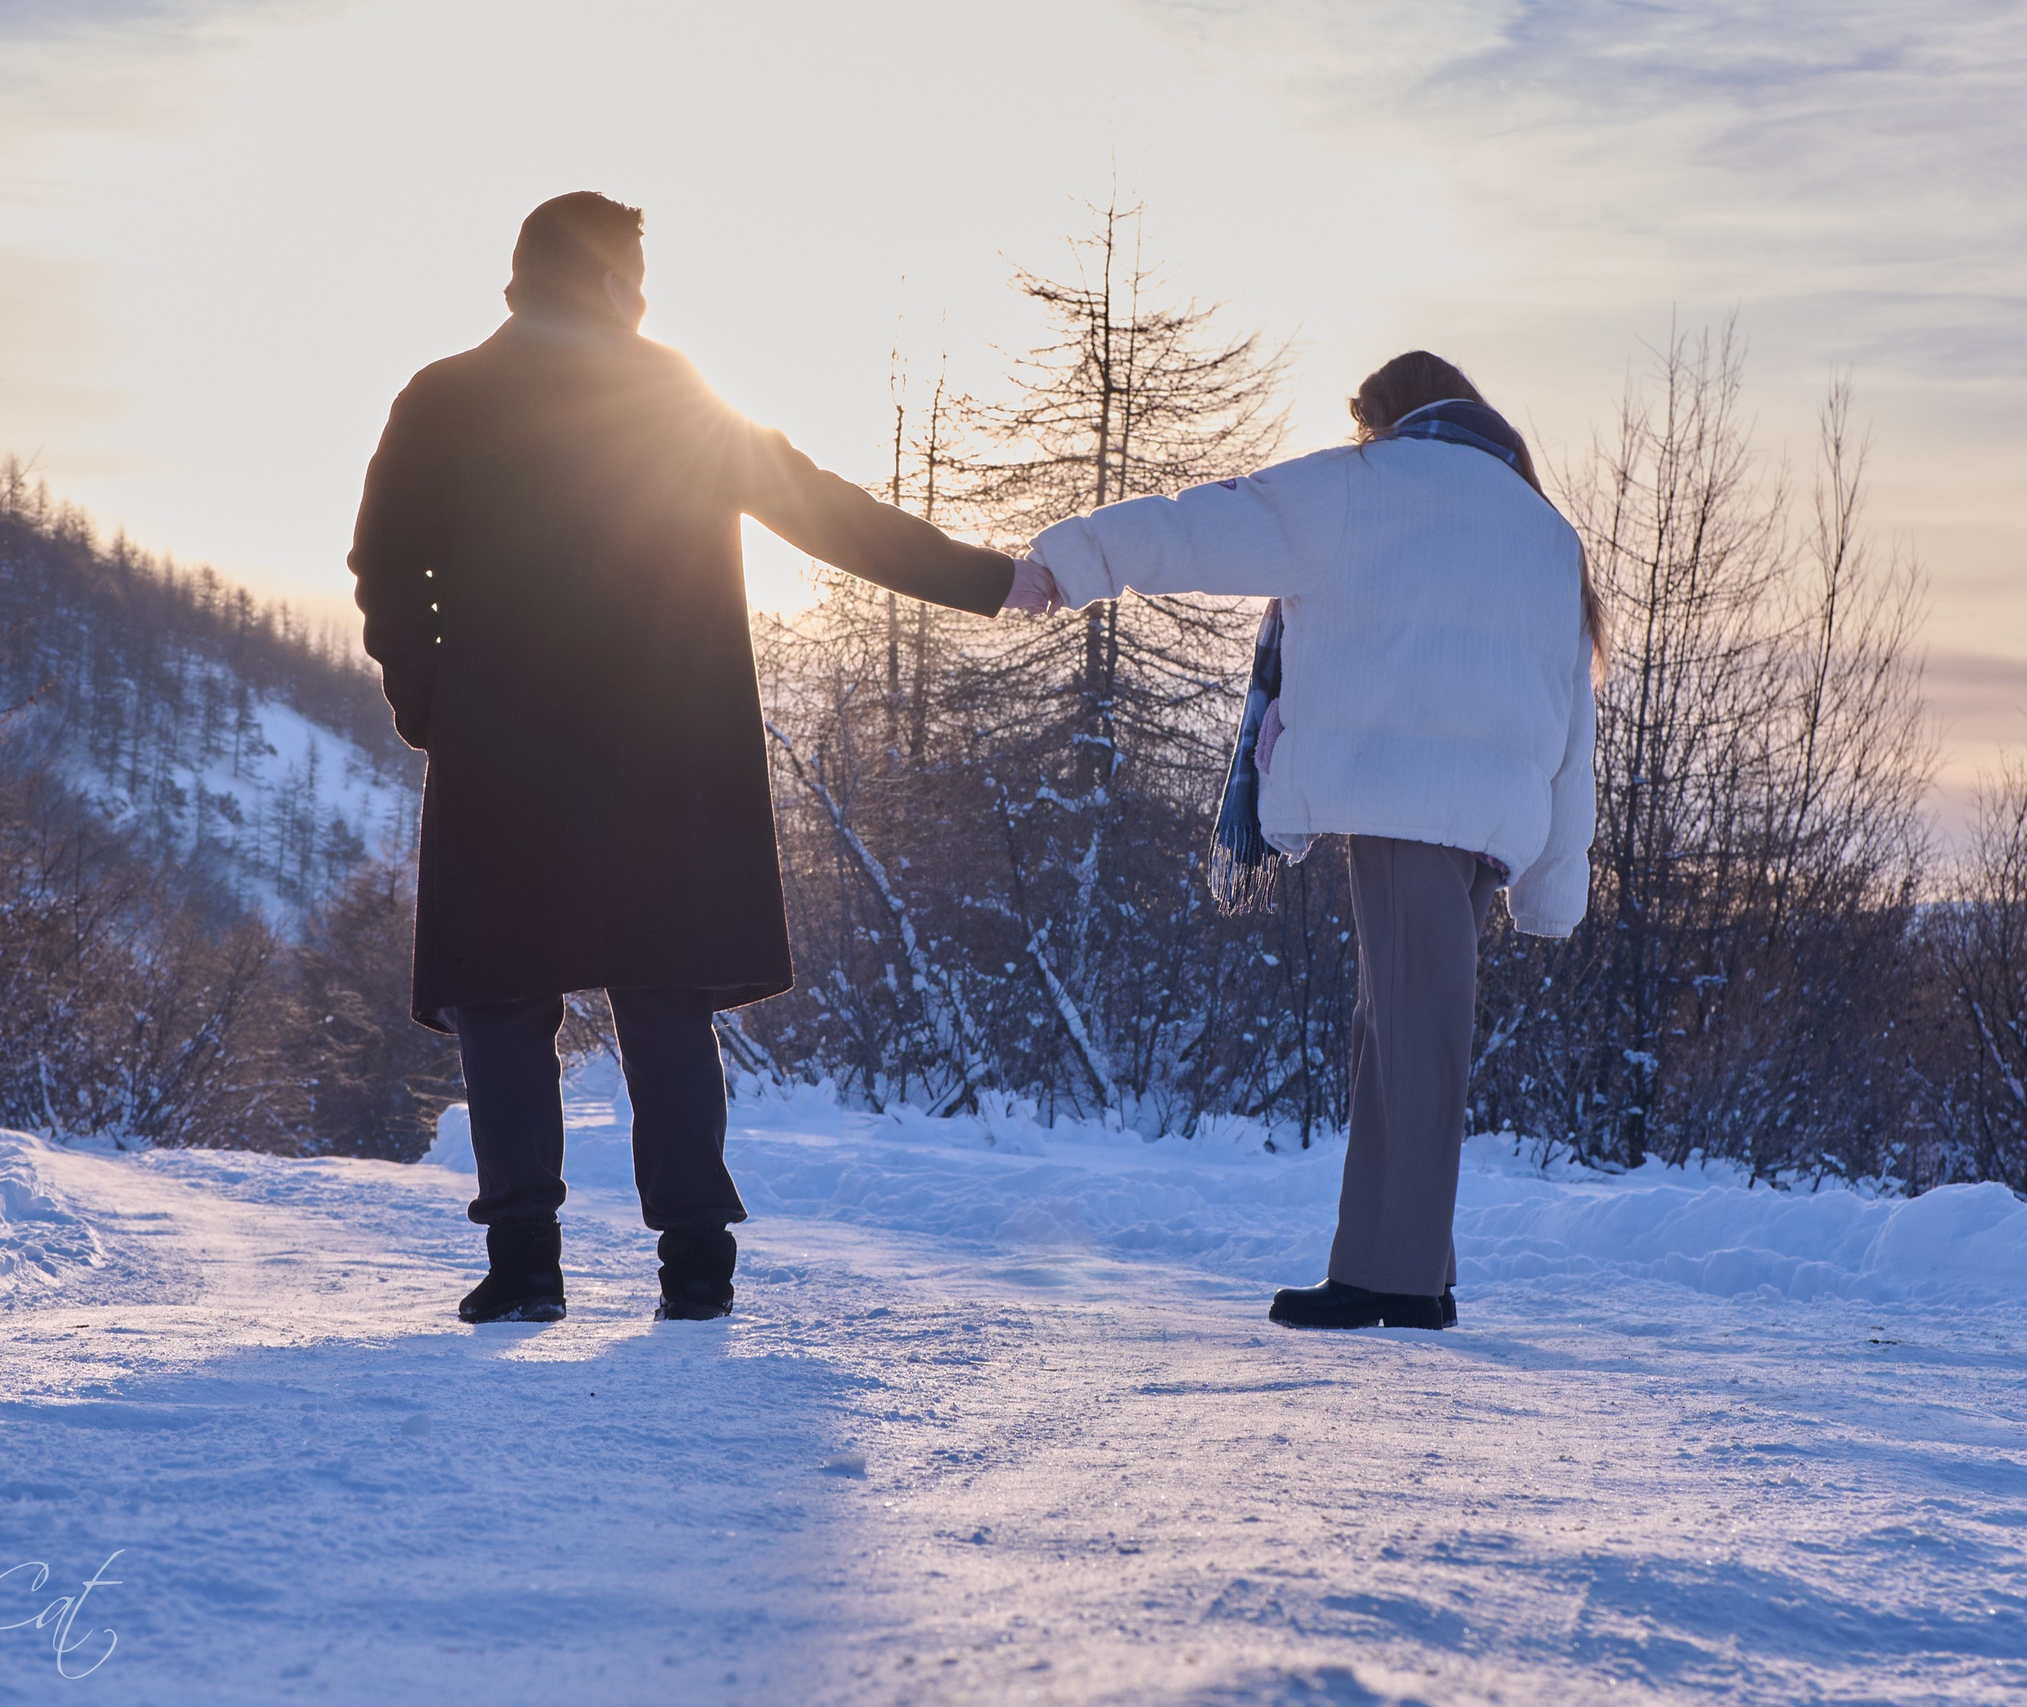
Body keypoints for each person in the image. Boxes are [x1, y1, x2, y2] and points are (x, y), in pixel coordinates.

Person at [350, 192, 1038, 1324]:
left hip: (500, 741)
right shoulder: (668, 391)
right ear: (607, 279)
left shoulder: (445, 395)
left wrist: (428, 699)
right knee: (661, 993)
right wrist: (986, 578)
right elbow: (822, 511)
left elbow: (384, 564)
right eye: (637, 270)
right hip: (657, 742)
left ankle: (524, 1263)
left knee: (504, 996)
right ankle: (696, 1263)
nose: (647, 292)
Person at [1007, 351, 1601, 1332]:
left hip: (1402, 791)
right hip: (1494, 814)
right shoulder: (1542, 528)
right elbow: (1574, 720)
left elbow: (1198, 524)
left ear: (1385, 418)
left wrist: (1071, 560)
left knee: (1412, 1035)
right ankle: (1397, 1262)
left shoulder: (1365, 487)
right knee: (1403, 1030)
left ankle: (1400, 1279)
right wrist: (1553, 880)